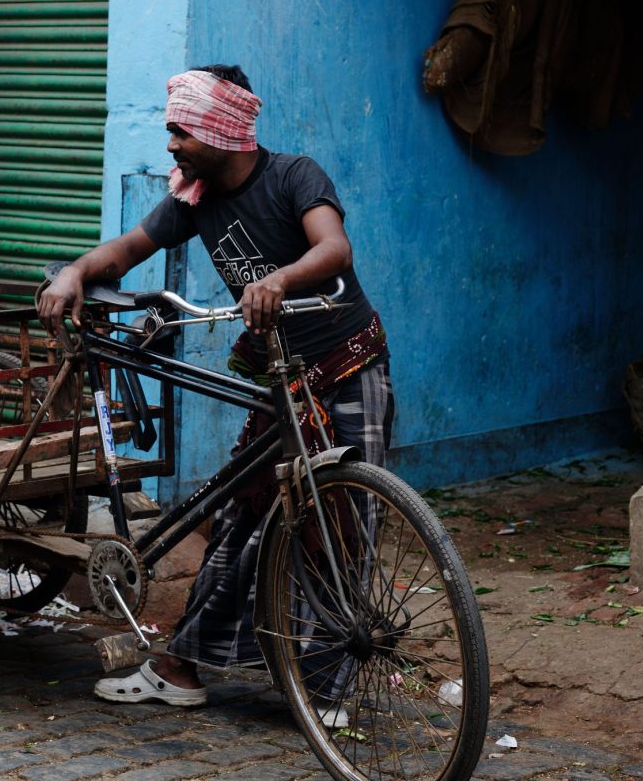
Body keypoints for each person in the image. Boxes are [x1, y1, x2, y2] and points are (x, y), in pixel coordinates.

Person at [37, 65, 392, 719]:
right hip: (279, 376)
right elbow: (124, 253)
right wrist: (74, 276)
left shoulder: (294, 175)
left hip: (346, 362)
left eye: (182, 131)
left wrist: (281, 280)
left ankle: (326, 688)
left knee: (343, 522)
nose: (171, 145)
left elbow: (334, 248)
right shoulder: (191, 198)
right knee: (245, 517)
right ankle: (180, 668)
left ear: (223, 131)